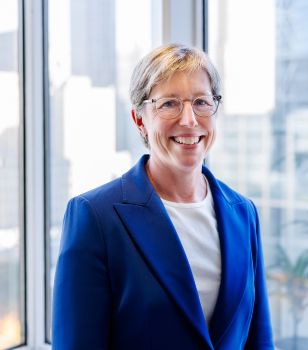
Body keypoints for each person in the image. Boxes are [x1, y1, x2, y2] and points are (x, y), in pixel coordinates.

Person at [52, 43, 274, 350]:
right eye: (169, 103)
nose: (189, 120)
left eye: (200, 102)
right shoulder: (95, 217)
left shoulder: (243, 213)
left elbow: (259, 341)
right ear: (139, 119)